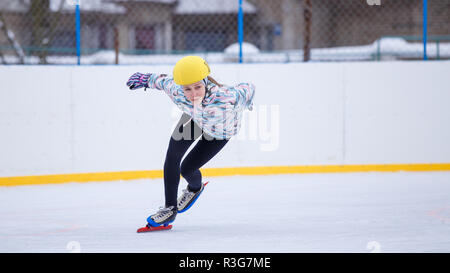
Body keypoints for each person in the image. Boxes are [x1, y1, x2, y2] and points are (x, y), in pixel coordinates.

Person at [126, 56, 255, 228]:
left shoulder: (226, 96)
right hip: (194, 120)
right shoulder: (176, 90)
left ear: (205, 82)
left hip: (220, 132)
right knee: (172, 156)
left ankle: (195, 188)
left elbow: (248, 88)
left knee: (187, 168)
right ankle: (169, 209)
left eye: (198, 87)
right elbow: (160, 80)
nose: (193, 94)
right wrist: (144, 79)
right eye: (187, 89)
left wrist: (247, 102)